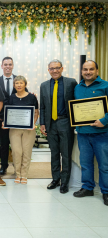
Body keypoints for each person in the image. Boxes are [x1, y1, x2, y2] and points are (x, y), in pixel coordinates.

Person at [73, 60, 108, 206]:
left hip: (101, 133)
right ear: (82, 71)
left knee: (104, 164)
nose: (88, 72)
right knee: (86, 163)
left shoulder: (105, 85)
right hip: (83, 133)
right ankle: (87, 188)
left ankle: (106, 191)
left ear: (97, 71)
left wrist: (104, 121)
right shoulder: (77, 87)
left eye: (91, 69)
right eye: (85, 69)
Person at [40, 59, 77, 194]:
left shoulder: (71, 82)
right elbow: (42, 106)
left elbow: (76, 102)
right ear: (48, 70)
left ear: (62, 69)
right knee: (54, 153)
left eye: (57, 68)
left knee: (66, 154)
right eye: (52, 68)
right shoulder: (44, 85)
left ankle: (65, 182)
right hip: (51, 124)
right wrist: (42, 123)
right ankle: (55, 179)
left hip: (65, 122)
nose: (55, 70)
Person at [0, 57, 27, 175]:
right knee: (3, 144)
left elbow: (25, 95)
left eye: (10, 64)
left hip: (16, 119)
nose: (8, 66)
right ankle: (3, 166)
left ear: (12, 66)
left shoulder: (19, 80)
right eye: (5, 64)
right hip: (1, 119)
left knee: (16, 145)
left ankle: (17, 166)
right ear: (1, 66)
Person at [5, 76, 39, 184]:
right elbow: (8, 113)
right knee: (16, 151)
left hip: (29, 129)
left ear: (25, 84)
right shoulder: (11, 98)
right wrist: (5, 123)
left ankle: (24, 175)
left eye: (21, 83)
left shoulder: (32, 97)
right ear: (14, 85)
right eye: (17, 83)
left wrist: (33, 123)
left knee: (26, 152)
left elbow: (36, 112)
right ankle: (17, 174)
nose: (19, 85)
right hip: (14, 129)